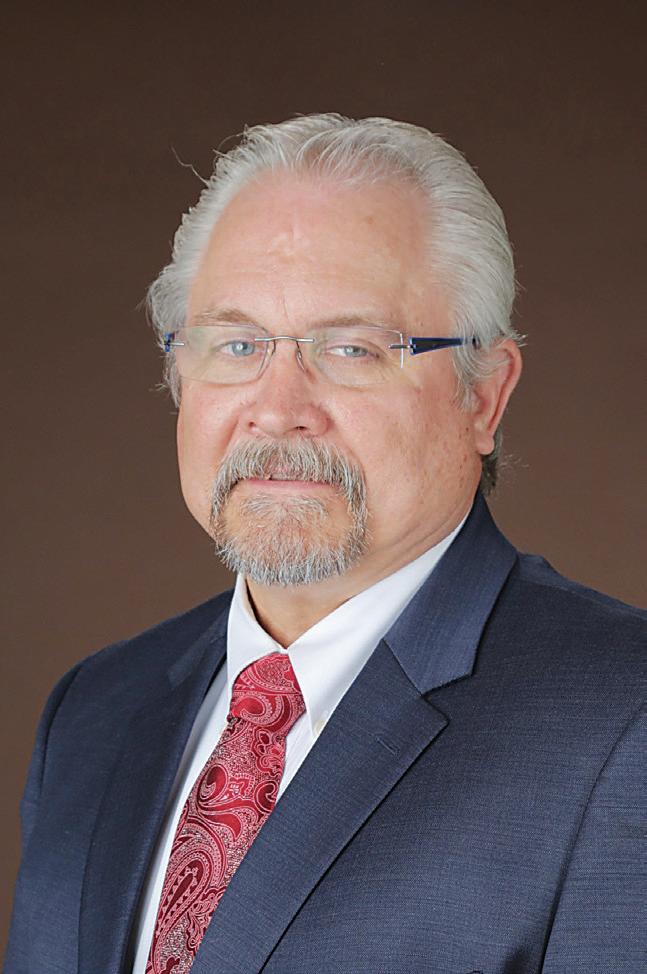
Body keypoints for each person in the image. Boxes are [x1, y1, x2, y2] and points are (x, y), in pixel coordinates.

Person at [4, 114, 644, 974]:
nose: (277, 409)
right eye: (236, 344)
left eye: (351, 349)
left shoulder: (622, 722)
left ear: (483, 397)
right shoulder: (95, 712)